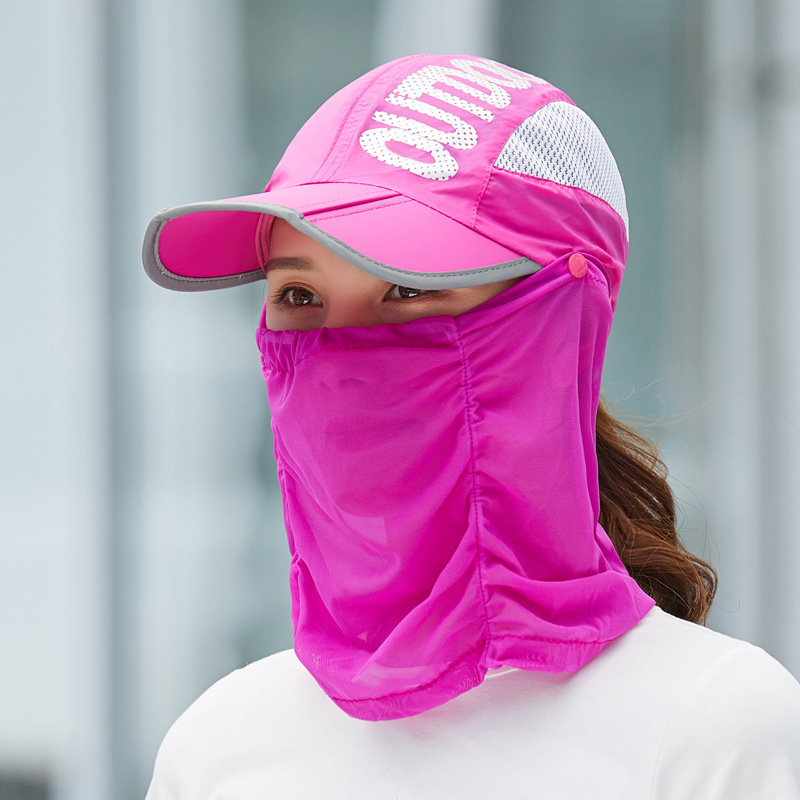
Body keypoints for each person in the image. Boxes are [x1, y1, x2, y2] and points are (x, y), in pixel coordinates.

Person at [142, 54, 800, 798]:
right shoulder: (218, 747)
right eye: (298, 295)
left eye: (406, 288)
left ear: (555, 322)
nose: (341, 357)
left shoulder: (713, 725)